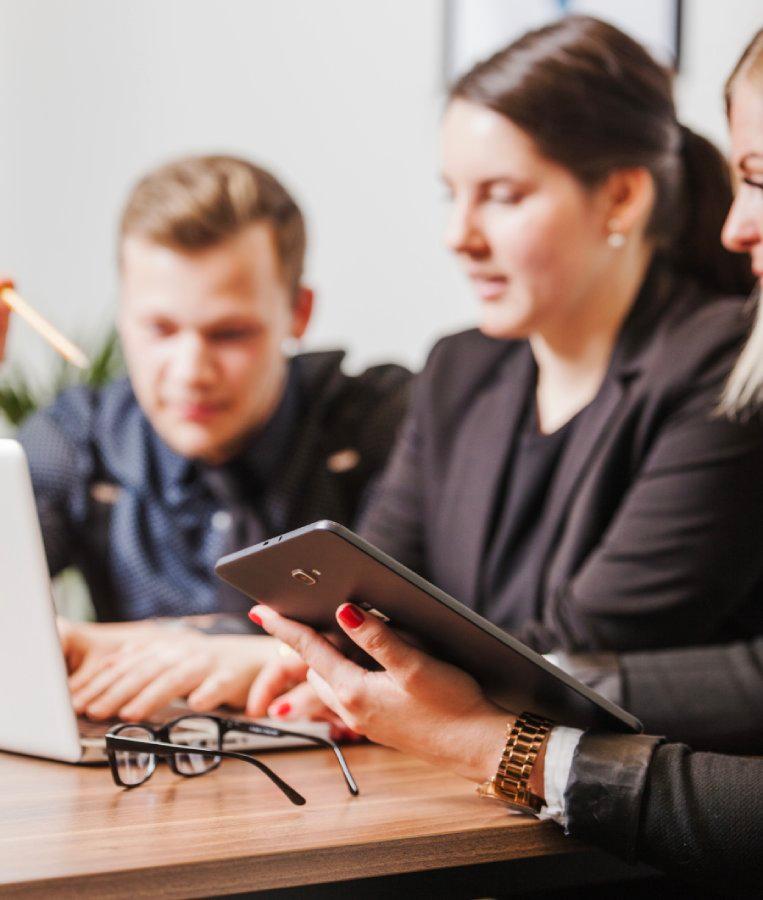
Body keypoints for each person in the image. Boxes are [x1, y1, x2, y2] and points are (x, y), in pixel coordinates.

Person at [240, 24, 763, 891]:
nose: (458, 235)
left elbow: (589, 652)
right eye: (452, 194)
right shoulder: (459, 368)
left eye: (502, 196)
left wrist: (442, 702)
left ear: (620, 198)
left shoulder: (724, 365)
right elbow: (360, 601)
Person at [0, 154, 410, 720]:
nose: (191, 369)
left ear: (299, 312)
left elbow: (442, 634)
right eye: (160, 329)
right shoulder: (75, 440)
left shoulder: (380, 426)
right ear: (123, 313)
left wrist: (153, 644)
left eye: (230, 333)